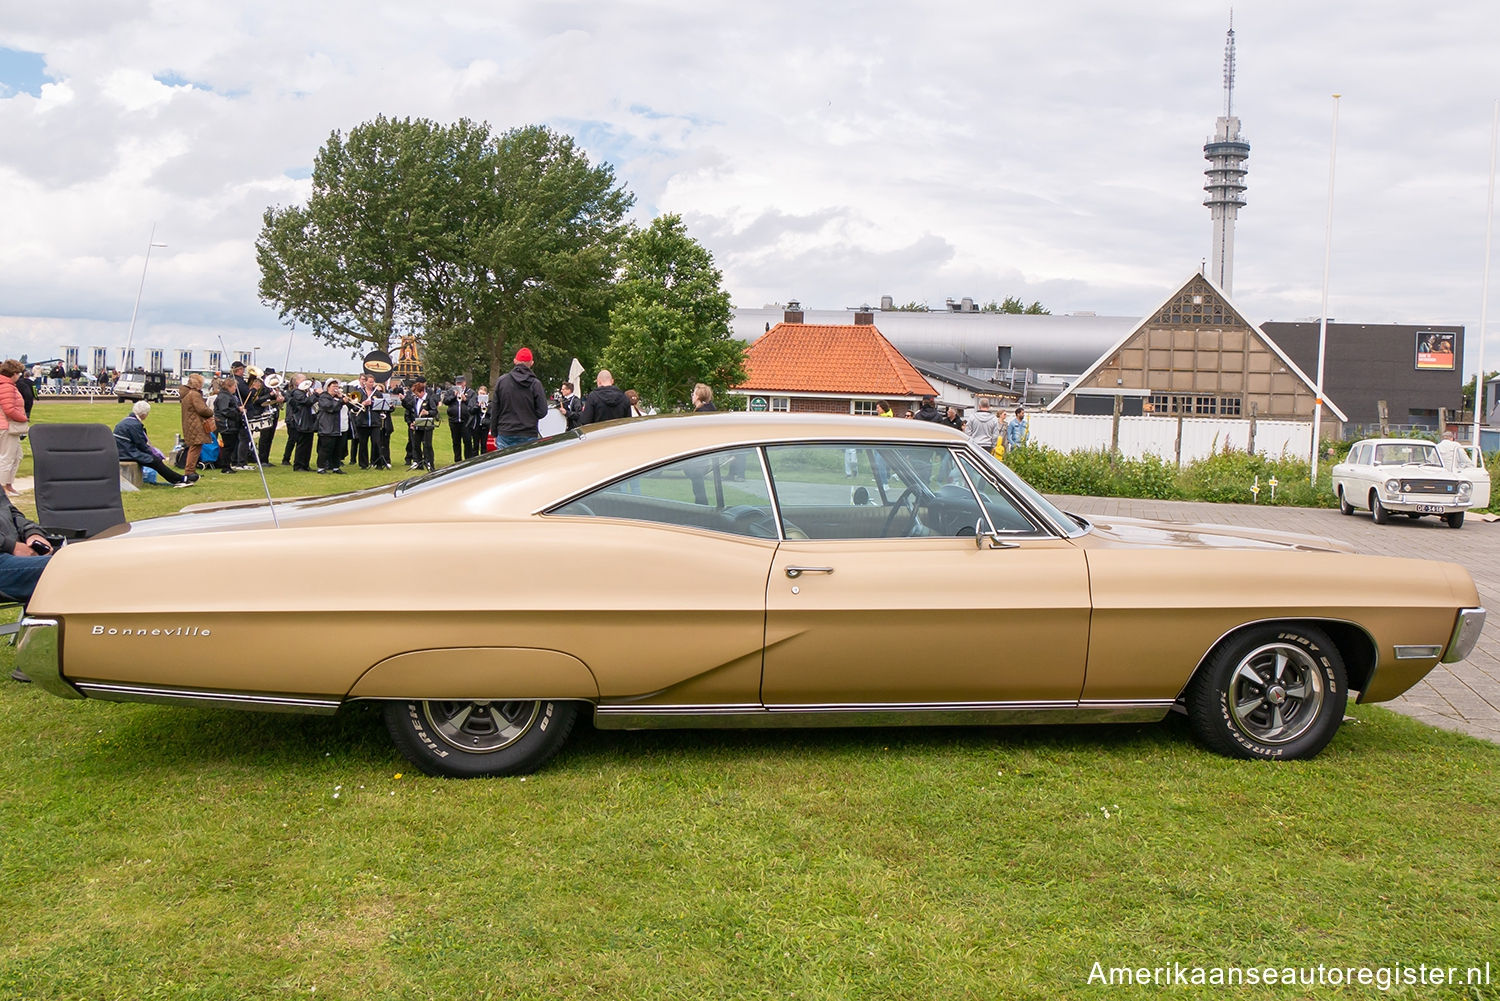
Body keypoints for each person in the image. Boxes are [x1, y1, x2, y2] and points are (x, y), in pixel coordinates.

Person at [0, 489, 54, 608]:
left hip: (11, 556)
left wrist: (32, 533)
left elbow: (12, 512)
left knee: (80, 560)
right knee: (69, 568)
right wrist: (11, 546)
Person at [114, 401, 186, 485]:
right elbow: (141, 444)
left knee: (154, 460)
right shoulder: (134, 425)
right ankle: (178, 479)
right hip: (127, 453)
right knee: (155, 461)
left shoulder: (126, 421)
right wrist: (153, 454)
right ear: (144, 414)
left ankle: (178, 478)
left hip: (121, 450)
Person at [489, 347, 548, 447]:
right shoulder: (535, 384)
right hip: (528, 432)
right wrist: (530, 417)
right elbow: (542, 411)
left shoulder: (502, 381)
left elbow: (495, 409)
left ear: (515, 361)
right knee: (527, 462)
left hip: (505, 431)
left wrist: (494, 432)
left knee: (506, 462)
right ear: (531, 363)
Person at [0, 360, 30, 496]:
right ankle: (3, 488)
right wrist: (23, 418)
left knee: (17, 456)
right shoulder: (6, 386)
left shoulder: (9, 385)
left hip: (9, 426)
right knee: (7, 457)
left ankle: (8, 484)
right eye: (18, 373)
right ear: (13, 373)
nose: (19, 376)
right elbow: (9, 409)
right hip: (6, 426)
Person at [179, 373, 214, 484]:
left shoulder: (186, 394)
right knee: (195, 448)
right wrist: (211, 412)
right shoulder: (194, 394)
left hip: (190, 423)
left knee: (194, 447)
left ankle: (190, 470)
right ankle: (190, 471)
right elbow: (202, 409)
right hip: (196, 424)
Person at [314, 379, 351, 473]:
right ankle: (321, 467)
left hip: (336, 427)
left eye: (337, 386)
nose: (336, 388)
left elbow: (338, 406)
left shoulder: (337, 398)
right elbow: (330, 407)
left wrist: (342, 399)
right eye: (334, 386)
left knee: (337, 449)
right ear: (328, 387)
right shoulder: (324, 397)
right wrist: (341, 401)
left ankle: (336, 467)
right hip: (326, 427)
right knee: (325, 449)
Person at [403, 379, 438, 470]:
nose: (416, 395)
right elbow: (409, 407)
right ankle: (419, 462)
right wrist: (403, 400)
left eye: (417, 393)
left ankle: (429, 462)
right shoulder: (416, 400)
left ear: (422, 392)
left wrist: (427, 412)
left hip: (427, 426)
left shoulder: (429, 399)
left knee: (427, 445)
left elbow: (434, 411)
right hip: (417, 425)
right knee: (416, 444)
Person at [442, 375, 479, 462]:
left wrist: (465, 399)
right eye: (457, 383)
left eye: (460, 383)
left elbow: (473, 405)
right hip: (454, 420)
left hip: (466, 421)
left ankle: (468, 460)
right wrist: (453, 396)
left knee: (467, 441)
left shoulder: (471, 392)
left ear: (464, 383)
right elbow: (445, 401)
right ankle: (457, 460)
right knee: (456, 442)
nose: (459, 385)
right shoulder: (451, 391)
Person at [212, 377, 243, 473]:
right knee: (228, 446)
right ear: (229, 386)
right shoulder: (224, 397)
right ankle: (225, 467)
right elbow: (224, 411)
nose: (235, 388)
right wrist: (238, 410)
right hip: (226, 425)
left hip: (230, 424)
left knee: (231, 445)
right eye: (234, 386)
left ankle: (227, 465)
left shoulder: (227, 395)